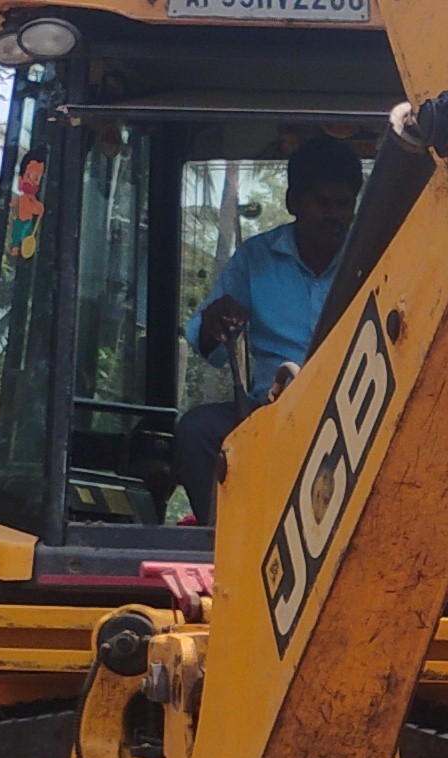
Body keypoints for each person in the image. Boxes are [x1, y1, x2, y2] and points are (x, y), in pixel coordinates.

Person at [173, 134, 365, 523]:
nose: (335, 216)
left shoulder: (373, 260)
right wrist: (215, 321)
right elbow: (201, 337)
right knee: (196, 431)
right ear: (294, 203)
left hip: (358, 413)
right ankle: (227, 545)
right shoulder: (255, 260)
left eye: (344, 204)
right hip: (269, 415)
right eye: (322, 203)